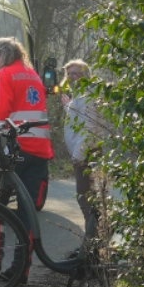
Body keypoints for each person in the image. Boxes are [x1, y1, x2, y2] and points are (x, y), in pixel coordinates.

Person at [0, 37, 53, 282]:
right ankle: (20, 270)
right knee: (27, 214)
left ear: (1, 55)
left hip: (15, 150)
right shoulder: (33, 76)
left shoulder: (4, 76)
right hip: (39, 151)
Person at [61, 59, 106, 242]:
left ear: (85, 76)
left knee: (85, 197)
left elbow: (89, 128)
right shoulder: (80, 97)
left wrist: (78, 156)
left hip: (87, 153)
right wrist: (67, 106)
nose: (72, 77)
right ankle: (95, 239)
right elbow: (78, 119)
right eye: (69, 74)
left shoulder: (87, 97)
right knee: (88, 197)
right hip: (85, 151)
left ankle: (93, 241)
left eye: (76, 74)